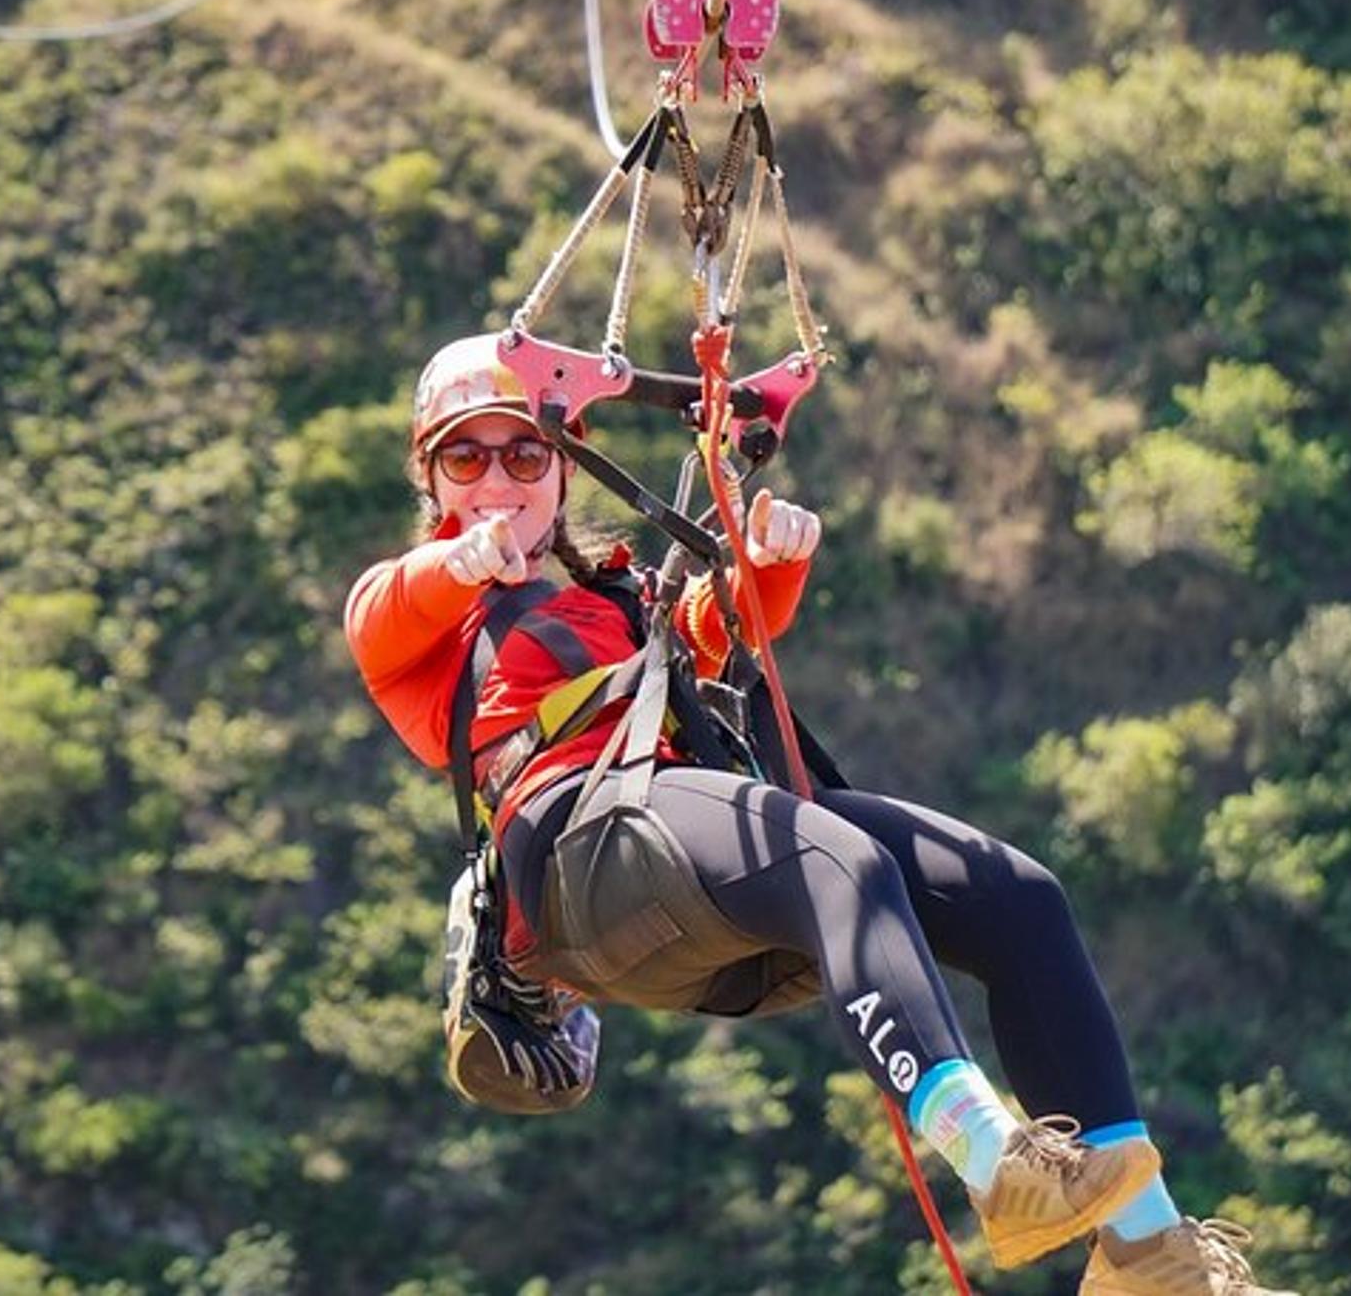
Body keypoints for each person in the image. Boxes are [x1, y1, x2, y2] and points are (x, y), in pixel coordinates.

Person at [346, 334, 1296, 1294]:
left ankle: (1151, 1252)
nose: (497, 480)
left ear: (563, 462)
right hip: (576, 855)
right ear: (430, 478)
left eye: (524, 454)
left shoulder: (612, 596)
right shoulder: (417, 614)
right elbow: (392, 603)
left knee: (1017, 898)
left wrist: (764, 566)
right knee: (837, 857)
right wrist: (466, 557)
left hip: (670, 833)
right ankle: (989, 1159)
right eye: (466, 458)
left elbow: (714, 639)